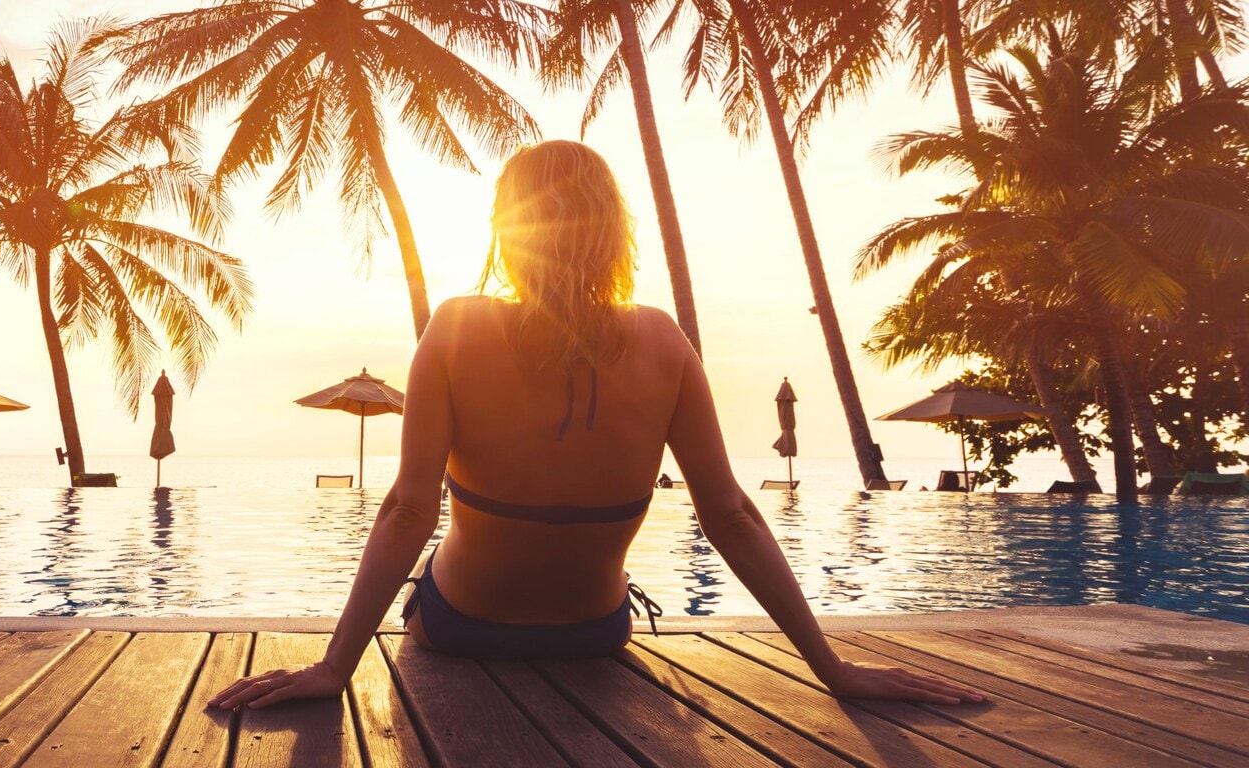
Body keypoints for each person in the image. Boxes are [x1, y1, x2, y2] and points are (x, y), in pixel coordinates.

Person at [211, 141, 982, 711]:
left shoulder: (455, 327)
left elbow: (409, 510)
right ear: (614, 232)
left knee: (443, 549)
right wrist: (833, 670)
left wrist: (334, 668)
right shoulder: (663, 339)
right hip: (595, 632)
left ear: (507, 232)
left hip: (463, 624)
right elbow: (733, 515)